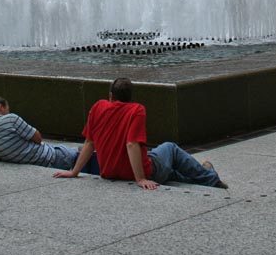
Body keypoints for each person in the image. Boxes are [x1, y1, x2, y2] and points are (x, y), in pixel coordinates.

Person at [53, 77, 227, 190]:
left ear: (110, 95)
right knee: (170, 148)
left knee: (168, 168)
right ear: (131, 97)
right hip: (138, 171)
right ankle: (211, 178)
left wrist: (74, 171)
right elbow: (131, 144)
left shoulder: (98, 107)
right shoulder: (136, 110)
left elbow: (90, 142)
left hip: (110, 172)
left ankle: (201, 173)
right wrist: (140, 179)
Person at [0, 96, 98, 172]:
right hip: (50, 157)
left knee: (78, 150)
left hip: (38, 157)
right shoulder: (11, 119)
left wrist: (6, 151)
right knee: (80, 154)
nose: (8, 111)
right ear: (0, 107)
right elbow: (38, 138)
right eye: (7, 108)